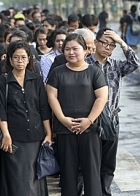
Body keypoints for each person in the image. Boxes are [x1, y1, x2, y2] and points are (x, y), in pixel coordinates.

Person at [47, 33, 108, 196]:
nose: (71, 52)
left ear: (86, 50)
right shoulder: (57, 72)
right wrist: (63, 120)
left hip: (90, 131)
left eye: (75, 49)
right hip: (65, 130)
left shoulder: (94, 72)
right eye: (67, 49)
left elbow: (102, 98)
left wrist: (88, 120)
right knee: (68, 175)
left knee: (92, 174)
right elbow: (52, 97)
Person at [0, 40, 52, 196]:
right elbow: (1, 111)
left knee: (33, 178)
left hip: (35, 136)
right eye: (16, 57)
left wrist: (49, 133)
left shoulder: (37, 80)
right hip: (13, 137)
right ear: (10, 59)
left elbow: (43, 109)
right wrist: (6, 135)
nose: (20, 61)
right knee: (15, 179)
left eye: (23, 57)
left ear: (29, 59)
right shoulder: (2, 81)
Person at [86, 28, 140, 196]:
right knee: (87, 162)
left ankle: (104, 192)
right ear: (95, 43)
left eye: (112, 45)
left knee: (108, 164)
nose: (108, 48)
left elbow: (135, 63)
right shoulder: (85, 64)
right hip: (89, 119)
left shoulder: (116, 66)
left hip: (111, 118)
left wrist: (122, 42)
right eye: (104, 43)